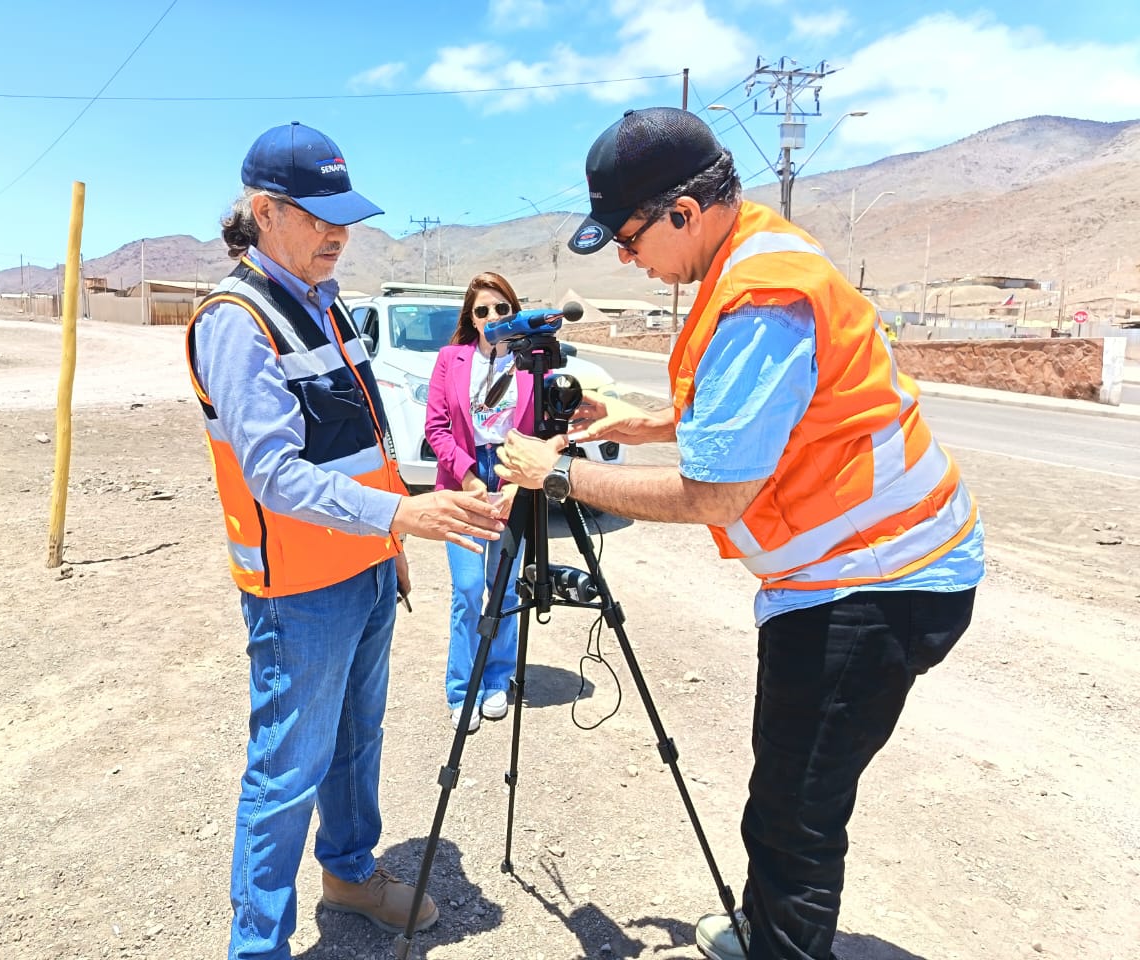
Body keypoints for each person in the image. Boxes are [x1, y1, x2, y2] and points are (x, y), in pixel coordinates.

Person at [496, 107, 984, 960]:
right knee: (784, 791)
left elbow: (717, 495)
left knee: (798, 809)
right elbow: (751, 417)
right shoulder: (750, 258)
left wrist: (557, 475)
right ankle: (764, 930)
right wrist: (637, 421)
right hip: (853, 575)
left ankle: (784, 946)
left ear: (684, 213)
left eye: (630, 236)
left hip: (876, 586)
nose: (625, 256)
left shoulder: (761, 296)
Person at [185, 120, 505, 960]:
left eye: (345, 216)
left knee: (360, 739)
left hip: (365, 570)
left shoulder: (329, 308)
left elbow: (363, 442)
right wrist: (403, 518)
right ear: (265, 210)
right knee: (287, 770)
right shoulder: (237, 320)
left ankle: (351, 873)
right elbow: (275, 476)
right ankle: (258, 945)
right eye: (320, 215)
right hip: (297, 589)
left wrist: (390, 536)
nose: (340, 233)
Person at [424, 272, 532, 732]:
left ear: (514, 310)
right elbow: (436, 427)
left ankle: (497, 680)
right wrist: (468, 477)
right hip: (463, 476)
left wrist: (516, 483)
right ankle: (461, 688)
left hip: (513, 474)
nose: (492, 318)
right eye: (482, 311)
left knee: (504, 588)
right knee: (469, 589)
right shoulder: (451, 359)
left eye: (501, 309)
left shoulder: (532, 361)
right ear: (471, 317)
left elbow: (544, 429)